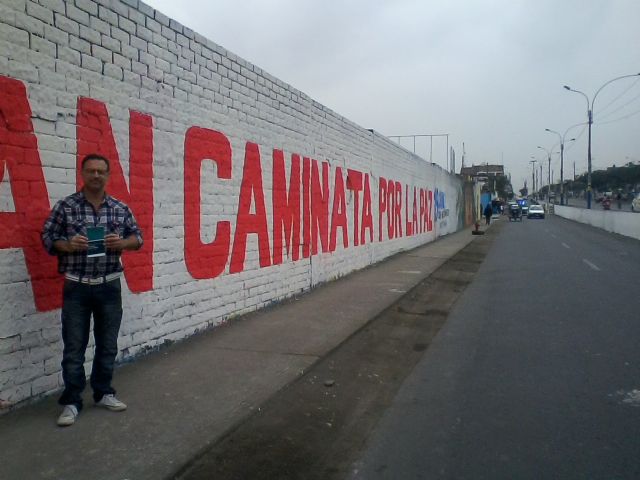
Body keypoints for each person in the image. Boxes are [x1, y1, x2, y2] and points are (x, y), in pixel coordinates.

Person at [42, 154, 143, 427]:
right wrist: (68, 245)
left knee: (107, 344)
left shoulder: (120, 208)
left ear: (108, 175)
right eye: (91, 171)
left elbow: (138, 238)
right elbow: (48, 237)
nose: (96, 175)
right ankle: (72, 401)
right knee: (74, 347)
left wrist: (121, 243)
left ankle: (103, 392)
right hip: (76, 285)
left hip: (109, 285)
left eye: (101, 171)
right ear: (82, 173)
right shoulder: (66, 206)